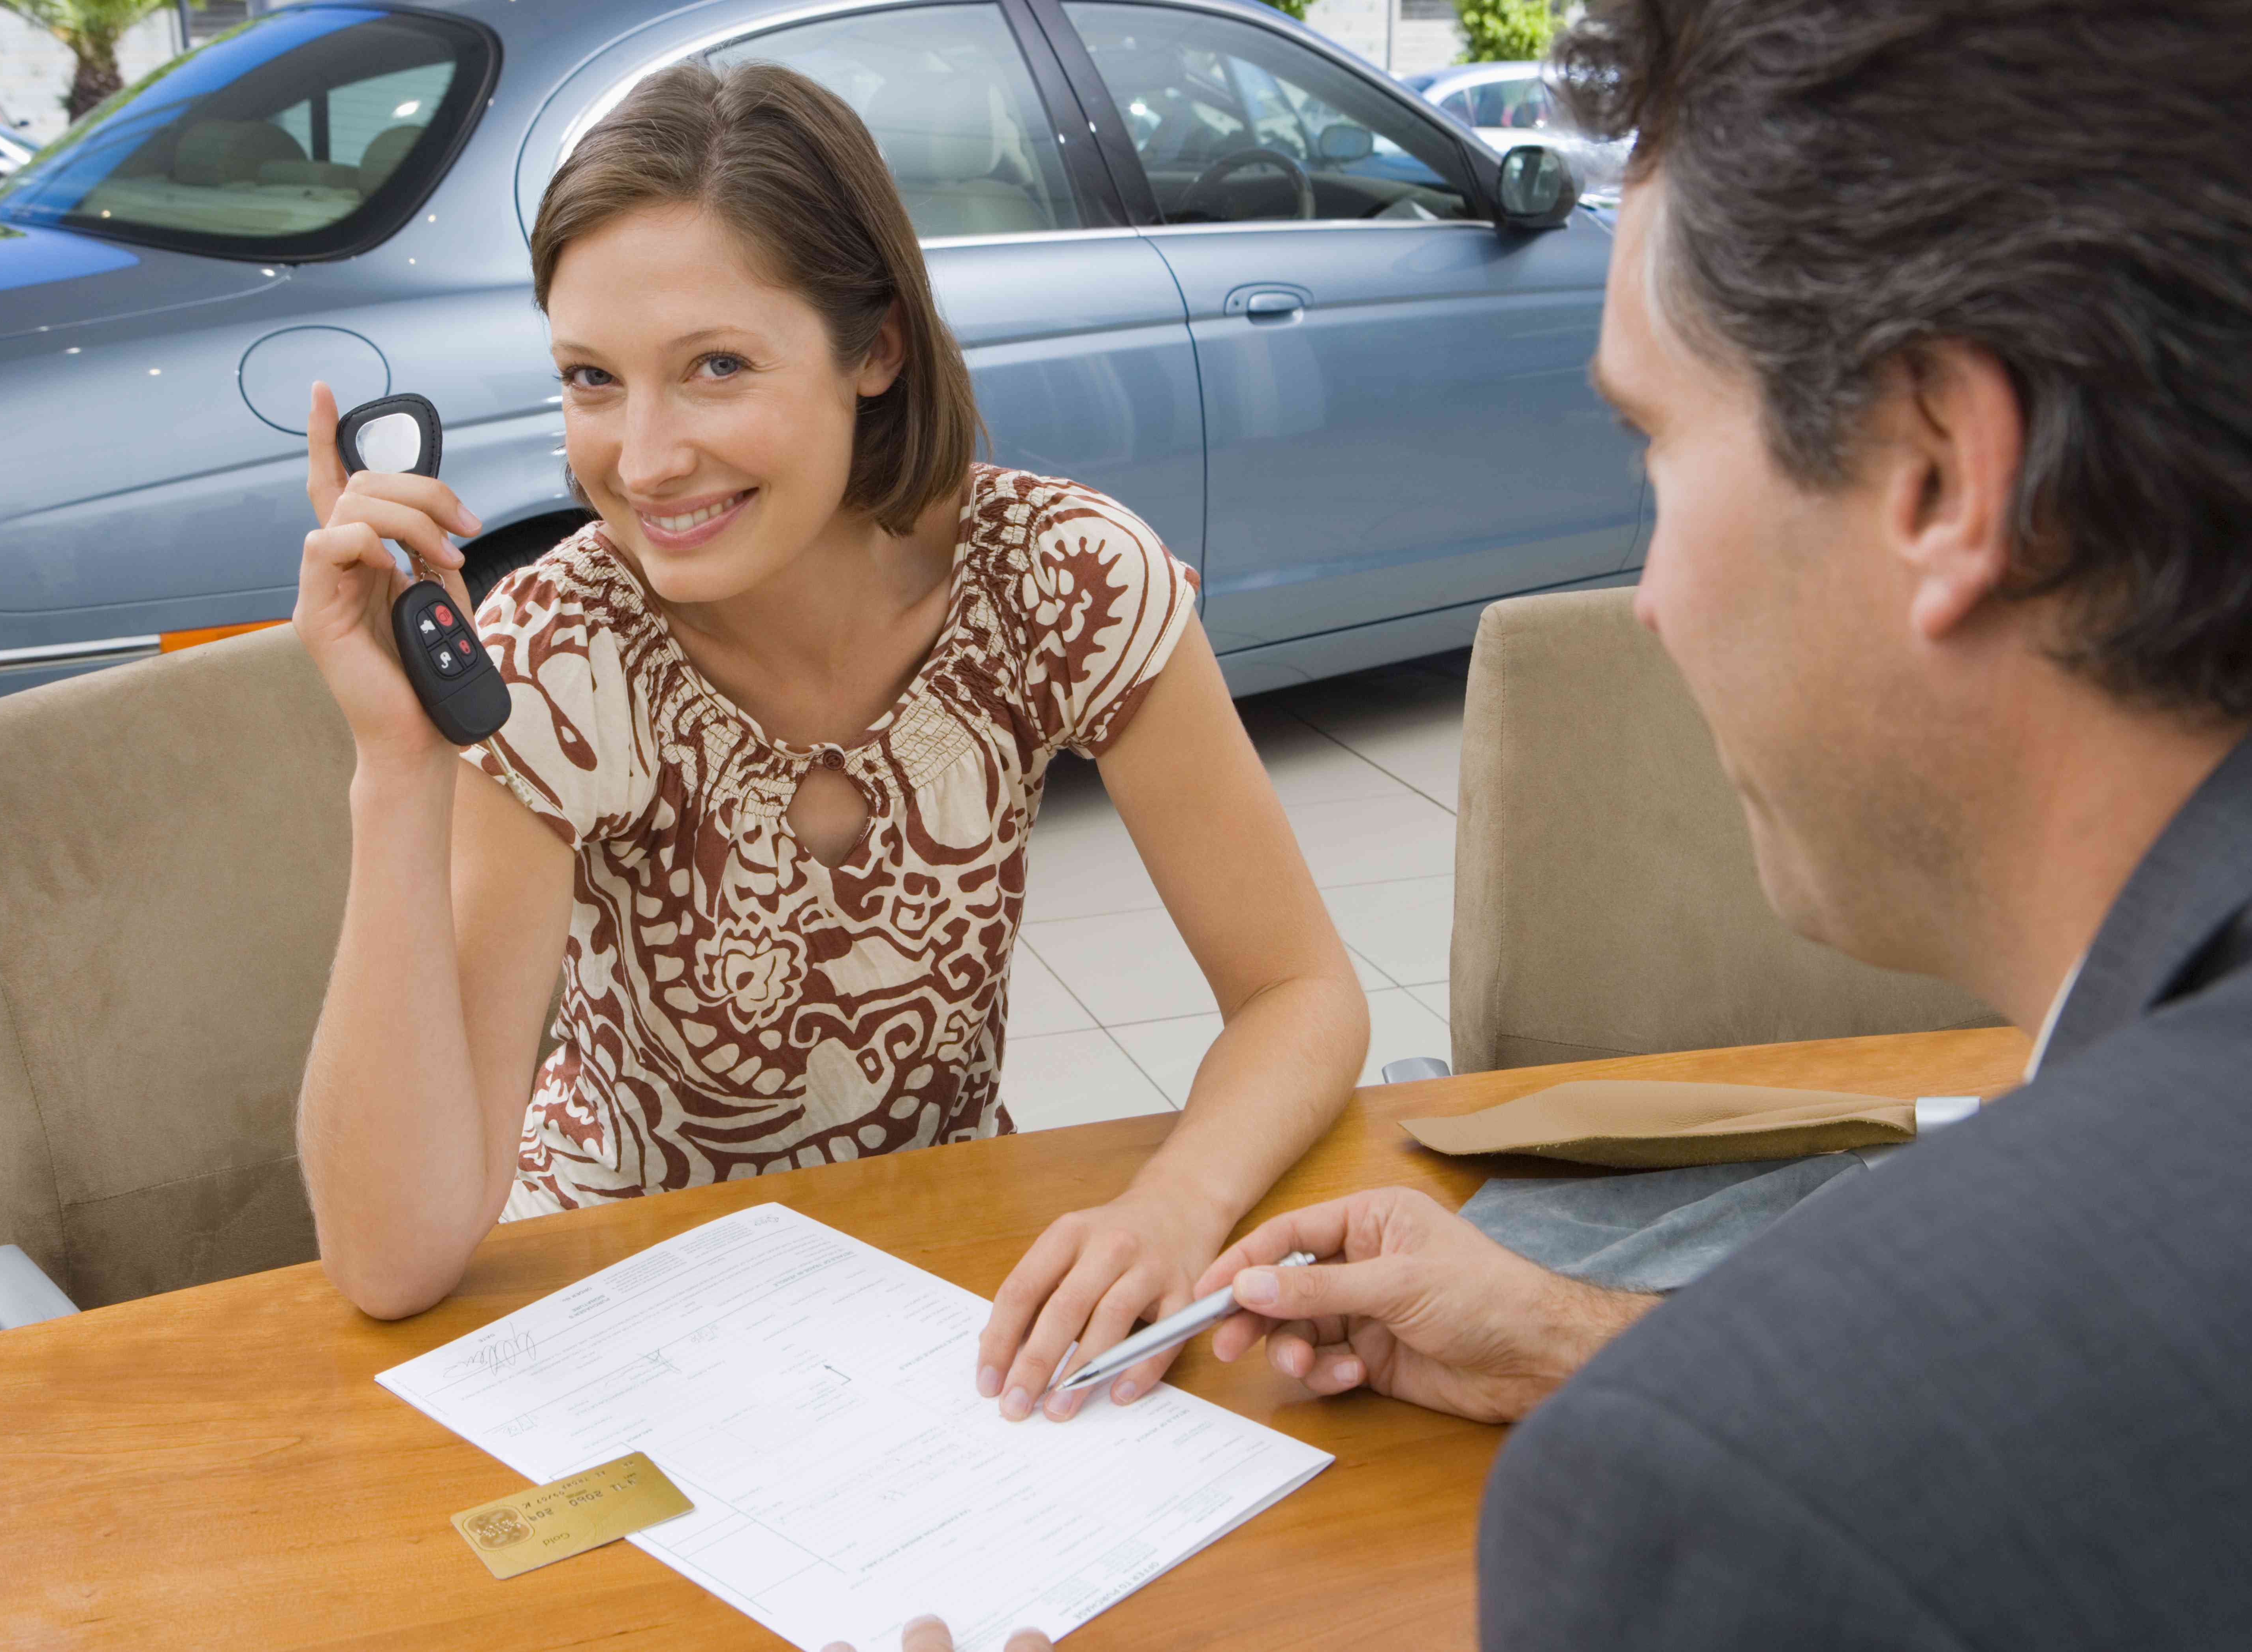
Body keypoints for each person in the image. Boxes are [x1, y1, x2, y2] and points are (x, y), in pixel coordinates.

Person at [1177, 1, 2252, 1646]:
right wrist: (1574, 1338)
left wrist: (1688, 1416)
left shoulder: (1721, 1502)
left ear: (1940, 474)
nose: (1649, 601)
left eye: (1654, 446)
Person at [288, 58, 1367, 1432]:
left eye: (716, 368)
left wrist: (1174, 1205)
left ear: (877, 349)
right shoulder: (560, 646)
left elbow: (1301, 995)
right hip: (623, 1306)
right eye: (591, 381)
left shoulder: (1063, 578)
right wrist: (397, 767)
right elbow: (393, 1262)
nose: (646, 457)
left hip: (939, 1282)